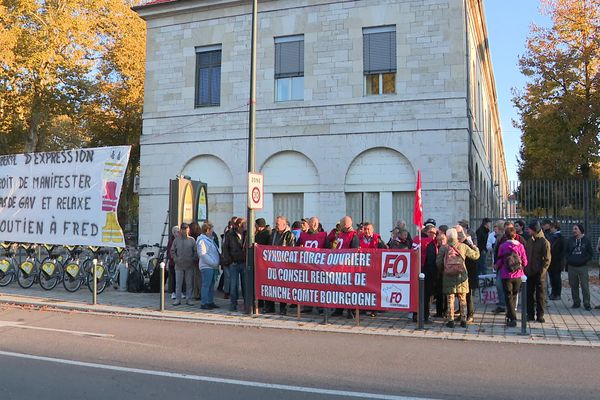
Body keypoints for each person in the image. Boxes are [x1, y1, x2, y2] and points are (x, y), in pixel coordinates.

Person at [436, 227, 480, 328]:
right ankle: (463, 319)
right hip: (461, 275)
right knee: (462, 298)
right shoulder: (463, 246)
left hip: (448, 275)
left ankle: (450, 319)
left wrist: (443, 270)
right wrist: (474, 246)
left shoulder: (444, 248)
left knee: (450, 298)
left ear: (447, 236)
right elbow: (476, 256)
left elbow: (438, 262)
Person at [495, 226, 528, 327]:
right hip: (518, 275)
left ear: (506, 235)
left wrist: (497, 266)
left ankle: (512, 318)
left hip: (506, 274)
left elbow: (500, 260)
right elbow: (525, 261)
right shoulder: (521, 246)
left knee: (508, 296)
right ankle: (510, 316)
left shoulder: (503, 246)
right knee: (514, 295)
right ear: (515, 235)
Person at [264, 215, 296, 315]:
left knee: (283, 287)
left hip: (283, 265)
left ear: (284, 224)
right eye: (276, 223)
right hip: (272, 263)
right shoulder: (273, 233)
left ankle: (283, 308)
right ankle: (270, 306)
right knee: (270, 285)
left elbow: (291, 249)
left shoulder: (289, 235)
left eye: (278, 224)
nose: (276, 226)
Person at [525, 220, 551, 323]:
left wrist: (542, 272)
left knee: (540, 295)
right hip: (529, 272)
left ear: (535, 230)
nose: (528, 231)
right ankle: (530, 314)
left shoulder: (544, 242)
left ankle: (540, 315)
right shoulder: (530, 241)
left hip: (539, 273)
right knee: (529, 294)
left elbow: (547, 259)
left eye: (530, 229)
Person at [565, 224, 594, 310]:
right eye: (573, 229)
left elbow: (590, 253)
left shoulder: (586, 240)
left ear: (580, 230)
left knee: (585, 286)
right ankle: (576, 302)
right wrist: (569, 259)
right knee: (573, 285)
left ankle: (587, 303)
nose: (573, 231)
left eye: (575, 229)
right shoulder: (570, 240)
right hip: (571, 266)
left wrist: (584, 260)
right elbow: (566, 252)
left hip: (582, 267)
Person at [170, 223, 198, 306]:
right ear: (181, 230)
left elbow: (196, 251)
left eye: (186, 229)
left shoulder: (192, 240)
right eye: (183, 229)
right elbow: (172, 251)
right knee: (178, 284)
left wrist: (193, 259)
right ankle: (178, 299)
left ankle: (188, 299)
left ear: (188, 230)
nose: (184, 230)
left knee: (189, 283)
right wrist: (175, 259)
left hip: (189, 265)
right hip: (178, 265)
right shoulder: (176, 240)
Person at [222, 217, 246, 311]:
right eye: (240, 225)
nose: (241, 227)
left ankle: (246, 303)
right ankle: (233, 304)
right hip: (234, 262)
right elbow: (225, 248)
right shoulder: (230, 234)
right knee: (233, 285)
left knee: (245, 284)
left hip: (244, 262)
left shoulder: (247, 234)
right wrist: (229, 260)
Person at [456, 224, 478, 324]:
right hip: (463, 272)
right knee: (462, 294)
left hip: (469, 272)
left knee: (468, 295)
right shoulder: (460, 243)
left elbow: (474, 257)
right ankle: (462, 314)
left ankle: (470, 315)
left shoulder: (468, 243)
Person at [197, 222, 220, 310]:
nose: (212, 232)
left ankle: (210, 301)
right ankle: (204, 303)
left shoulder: (209, 239)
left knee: (211, 285)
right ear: (207, 230)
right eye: (211, 230)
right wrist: (213, 262)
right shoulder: (202, 240)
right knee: (206, 285)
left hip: (212, 266)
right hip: (207, 266)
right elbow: (202, 254)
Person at [487, 220, 506, 314]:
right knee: (499, 285)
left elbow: (502, 254)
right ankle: (502, 303)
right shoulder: (496, 237)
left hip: (503, 265)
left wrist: (497, 263)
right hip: (499, 264)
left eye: (496, 227)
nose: (494, 229)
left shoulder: (504, 238)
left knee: (500, 284)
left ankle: (503, 304)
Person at [548, 221, 565, 300]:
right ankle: (553, 292)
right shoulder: (552, 236)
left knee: (557, 278)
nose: (550, 229)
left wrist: (560, 259)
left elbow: (563, 250)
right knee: (552, 278)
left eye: (551, 228)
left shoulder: (560, 237)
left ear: (555, 228)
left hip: (557, 261)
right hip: (552, 260)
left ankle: (557, 293)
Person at [189, 222, 202, 300]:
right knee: (198, 277)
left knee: (196, 277)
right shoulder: (199, 237)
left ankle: (196, 293)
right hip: (199, 259)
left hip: (195, 259)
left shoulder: (192, 238)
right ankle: (198, 293)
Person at [166, 225, 180, 300]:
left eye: (178, 231)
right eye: (176, 232)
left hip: (180, 262)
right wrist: (173, 258)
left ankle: (179, 292)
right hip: (173, 262)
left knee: (180, 278)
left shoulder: (180, 240)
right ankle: (174, 292)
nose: (178, 233)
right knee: (174, 278)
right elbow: (169, 251)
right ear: (173, 233)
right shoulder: (171, 241)